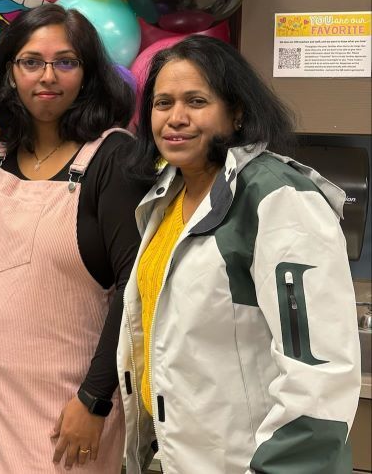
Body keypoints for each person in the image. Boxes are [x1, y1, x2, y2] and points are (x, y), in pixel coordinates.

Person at [120, 35, 361, 473]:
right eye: (162, 103)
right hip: (178, 456)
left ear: (237, 112)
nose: (176, 118)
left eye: (196, 101)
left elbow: (319, 376)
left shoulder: (278, 198)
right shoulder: (169, 196)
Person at [0, 4, 150, 473]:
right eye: (31, 62)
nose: (48, 76)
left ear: (88, 74)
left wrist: (95, 400)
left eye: (66, 62)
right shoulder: (3, 151)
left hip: (64, 416)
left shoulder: (112, 158)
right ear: (10, 72)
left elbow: (136, 289)